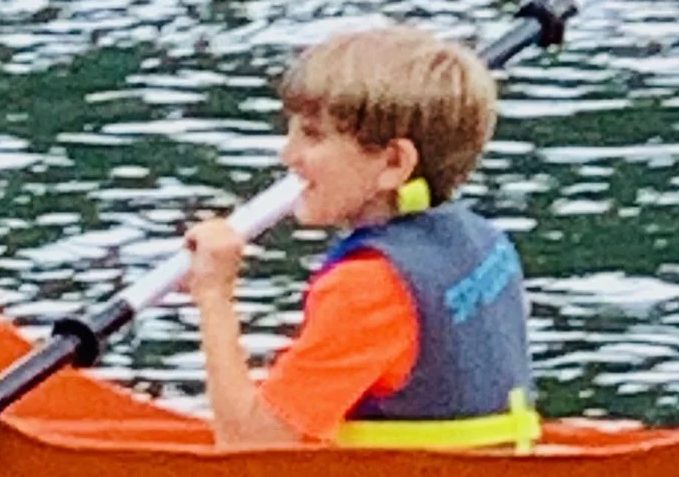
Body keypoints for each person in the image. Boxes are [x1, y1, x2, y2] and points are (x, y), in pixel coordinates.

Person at [182, 23, 537, 451]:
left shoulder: (370, 286)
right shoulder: (484, 241)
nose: (287, 155)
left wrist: (214, 294)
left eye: (312, 135)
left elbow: (249, 448)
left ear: (392, 162)